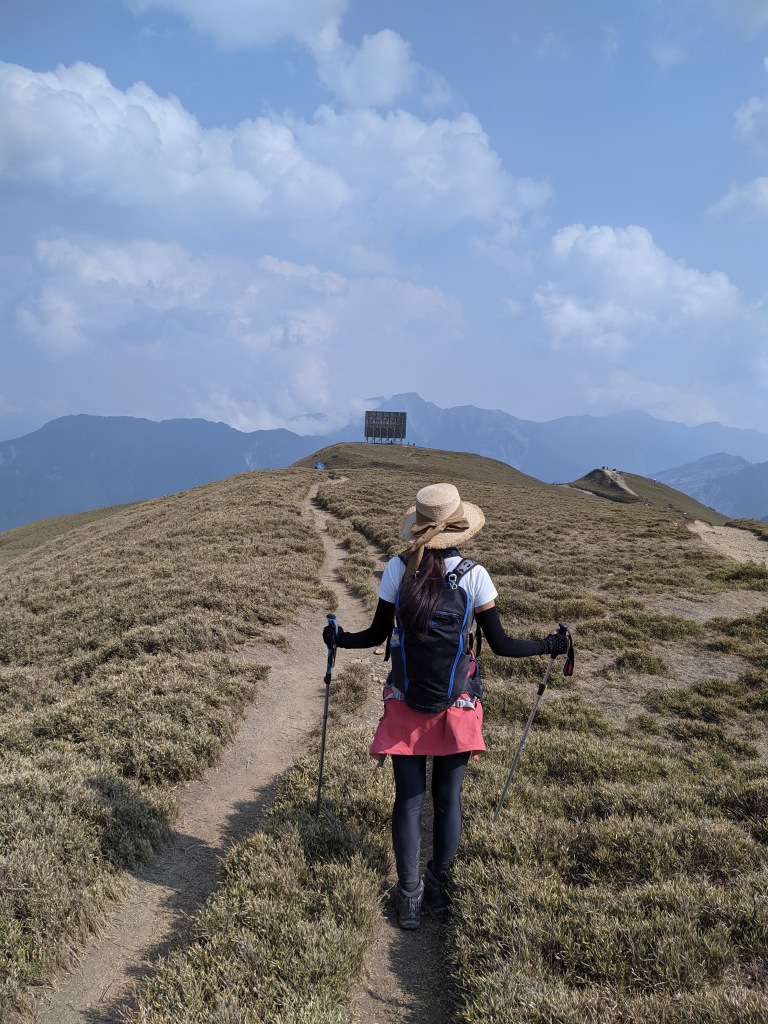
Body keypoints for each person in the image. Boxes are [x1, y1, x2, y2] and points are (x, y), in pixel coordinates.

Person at [321, 482, 568, 930]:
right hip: (458, 703)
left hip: (405, 700)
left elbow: (376, 636)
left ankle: (408, 897)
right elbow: (501, 644)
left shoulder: (398, 569)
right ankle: (438, 885)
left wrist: (339, 638)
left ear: (418, 527)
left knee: (409, 800)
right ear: (459, 530)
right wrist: (549, 645)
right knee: (447, 798)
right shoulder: (475, 575)